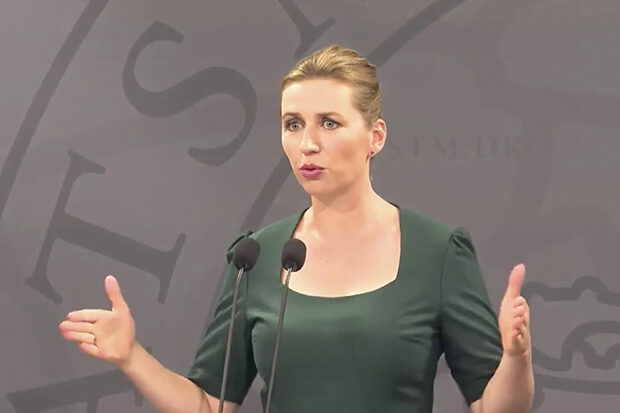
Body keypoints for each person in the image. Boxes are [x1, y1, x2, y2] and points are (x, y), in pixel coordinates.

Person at [59, 45, 534, 412]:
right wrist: (131, 356)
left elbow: (492, 407)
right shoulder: (256, 256)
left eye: (329, 123)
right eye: (293, 124)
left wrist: (516, 358)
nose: (307, 143)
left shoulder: (437, 252)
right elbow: (208, 405)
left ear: (375, 137)